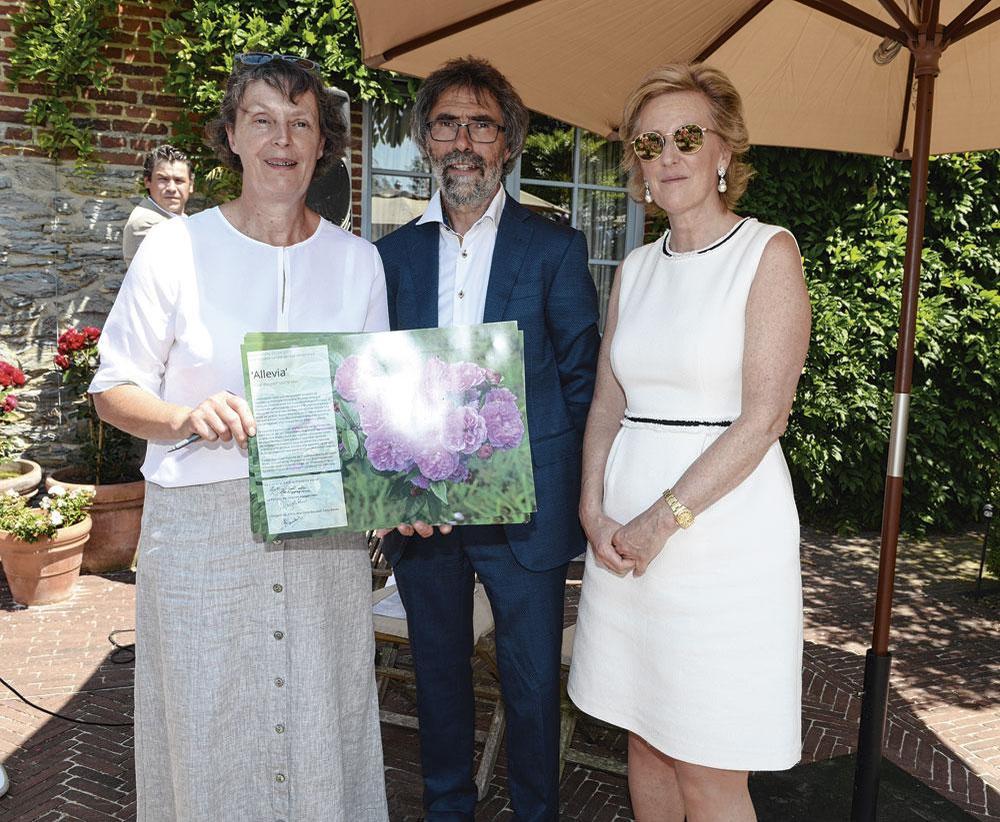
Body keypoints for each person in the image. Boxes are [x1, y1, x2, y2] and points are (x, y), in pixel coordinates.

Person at [90, 54, 389, 822]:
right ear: (231, 134)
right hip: (200, 530)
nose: (281, 138)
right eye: (261, 119)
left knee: (325, 718)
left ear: (324, 144)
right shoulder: (174, 249)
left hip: (322, 530)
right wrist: (185, 418)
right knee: (208, 726)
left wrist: (407, 488)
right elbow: (113, 389)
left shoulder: (360, 263)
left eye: (301, 122)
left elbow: (372, 415)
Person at [568, 63, 811, 821]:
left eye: (686, 136)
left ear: (723, 152)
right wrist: (591, 506)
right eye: (650, 141)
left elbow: (764, 418)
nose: (668, 154)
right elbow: (608, 404)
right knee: (645, 740)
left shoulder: (769, 252)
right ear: (636, 163)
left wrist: (659, 521)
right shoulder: (636, 269)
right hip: (624, 544)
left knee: (709, 765)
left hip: (720, 543)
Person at [376, 57, 600, 821]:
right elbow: (379, 384)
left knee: (532, 686)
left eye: (481, 124)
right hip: (424, 510)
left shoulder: (554, 250)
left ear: (508, 142)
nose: (463, 140)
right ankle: (449, 810)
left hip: (523, 513)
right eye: (446, 123)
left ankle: (536, 813)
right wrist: (387, 492)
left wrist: (565, 495)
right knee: (439, 679)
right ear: (425, 141)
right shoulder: (393, 257)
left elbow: (581, 383)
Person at [122, 144, 194, 267]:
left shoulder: (176, 217)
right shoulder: (146, 223)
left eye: (179, 180)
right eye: (163, 179)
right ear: (147, 182)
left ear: (191, 185)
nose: (171, 188)